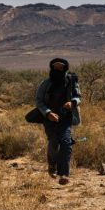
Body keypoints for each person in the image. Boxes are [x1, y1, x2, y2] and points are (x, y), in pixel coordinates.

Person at [35, 57, 81, 185]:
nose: (58, 69)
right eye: (55, 67)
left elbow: (78, 97)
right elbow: (39, 101)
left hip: (65, 118)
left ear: (65, 68)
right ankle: (52, 166)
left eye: (60, 67)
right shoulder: (46, 83)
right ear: (52, 68)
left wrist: (72, 103)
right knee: (54, 142)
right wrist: (48, 113)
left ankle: (64, 174)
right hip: (49, 119)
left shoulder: (71, 82)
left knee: (66, 144)